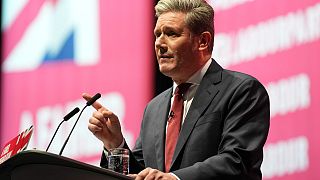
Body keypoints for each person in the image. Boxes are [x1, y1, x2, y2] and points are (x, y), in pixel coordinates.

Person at [82, 0, 270, 179]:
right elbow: (140, 174)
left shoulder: (241, 90)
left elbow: (237, 162)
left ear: (203, 41)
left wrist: (174, 178)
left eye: (171, 34)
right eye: (157, 34)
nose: (159, 44)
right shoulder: (154, 108)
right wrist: (115, 145)